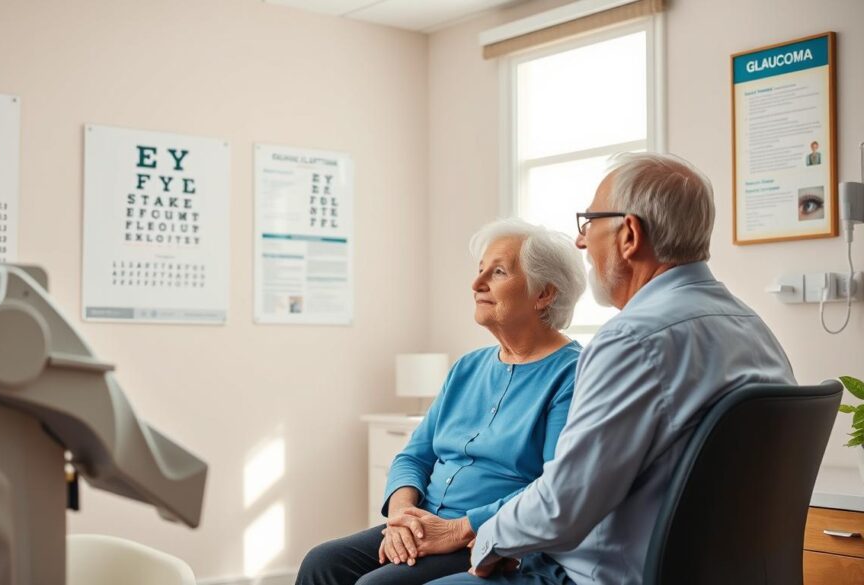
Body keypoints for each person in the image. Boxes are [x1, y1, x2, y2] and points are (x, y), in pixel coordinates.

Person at [402, 153, 795, 584]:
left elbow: (562, 507)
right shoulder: (755, 331)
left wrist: (474, 535)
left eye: (589, 223)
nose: (581, 242)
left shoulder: (630, 341)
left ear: (629, 234)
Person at [296, 219, 587, 585]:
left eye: (497, 272)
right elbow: (414, 456)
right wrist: (402, 515)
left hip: (490, 537)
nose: (476, 284)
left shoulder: (572, 375)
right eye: (480, 270)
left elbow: (554, 487)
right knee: (321, 563)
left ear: (544, 293)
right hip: (424, 521)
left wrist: (457, 528)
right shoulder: (467, 367)